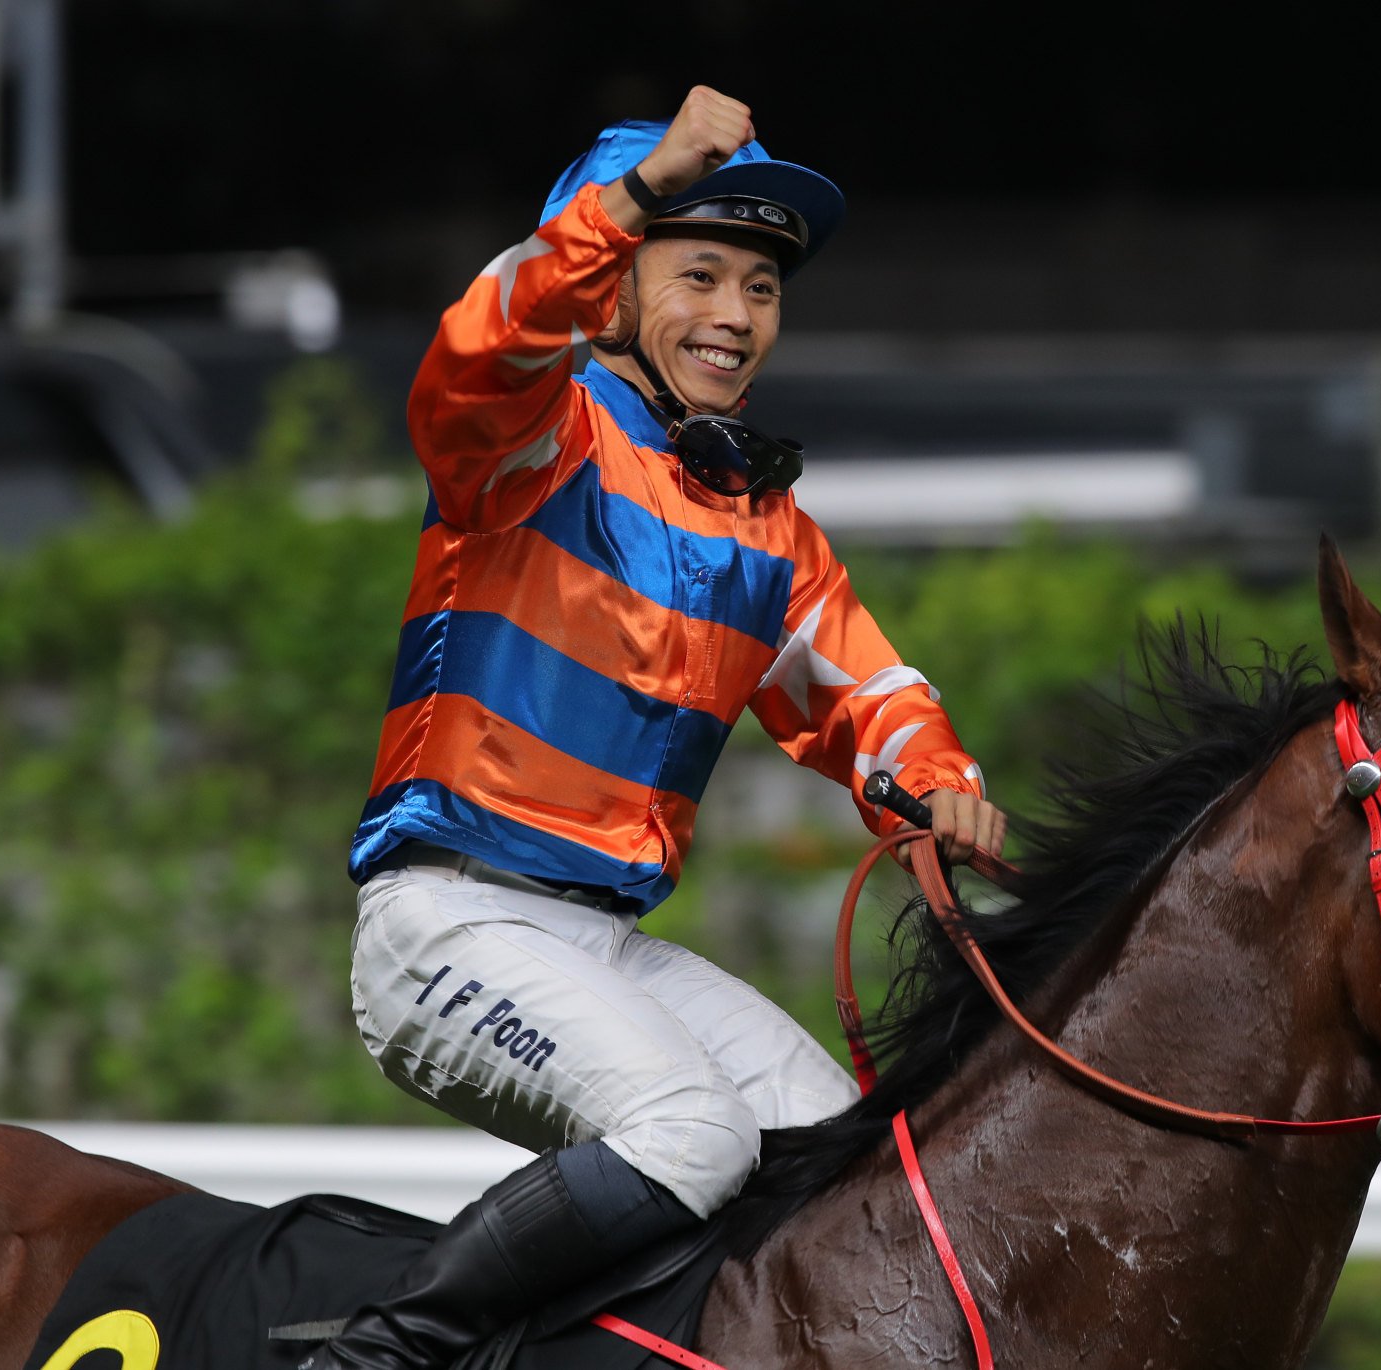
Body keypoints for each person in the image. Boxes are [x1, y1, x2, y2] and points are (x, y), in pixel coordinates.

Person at [309, 87, 1006, 1370]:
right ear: (613, 290)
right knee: (693, 1131)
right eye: (699, 275)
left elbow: (867, 692)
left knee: (838, 1155)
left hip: (603, 941)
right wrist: (630, 194)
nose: (738, 317)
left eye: (761, 288)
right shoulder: (533, 436)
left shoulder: (763, 524)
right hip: (448, 922)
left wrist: (935, 778)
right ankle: (378, 1356)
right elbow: (480, 348)